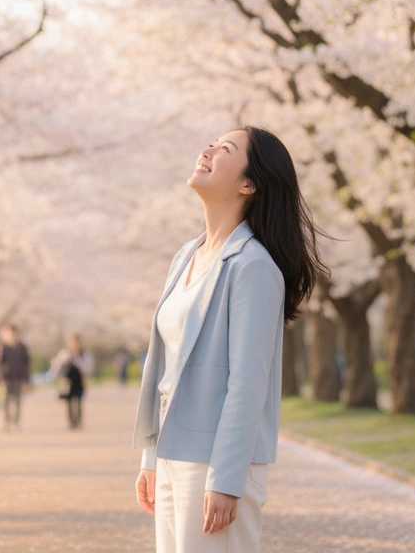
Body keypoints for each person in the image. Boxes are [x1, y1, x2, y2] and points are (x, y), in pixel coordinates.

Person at [133, 127, 326, 553]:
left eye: (225, 149)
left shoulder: (253, 267)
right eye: (211, 143)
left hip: (215, 463)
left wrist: (226, 479)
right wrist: (151, 456)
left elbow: (247, 384)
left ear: (248, 184)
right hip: (171, 453)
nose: (207, 150)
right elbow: (165, 367)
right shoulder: (186, 256)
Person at [51, 333, 94, 429]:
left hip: (79, 380)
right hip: (68, 380)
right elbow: (57, 367)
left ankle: (78, 421)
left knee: (78, 400)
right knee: (69, 400)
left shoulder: (84, 354)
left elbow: (88, 368)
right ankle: (71, 421)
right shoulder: (64, 354)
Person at [0, 323, 31, 432]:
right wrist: (0, 379)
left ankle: (16, 422)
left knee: (18, 401)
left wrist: (27, 379)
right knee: (5, 402)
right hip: (6, 378)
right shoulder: (3, 347)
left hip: (19, 378)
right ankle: (7, 422)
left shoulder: (22, 347)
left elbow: (26, 364)